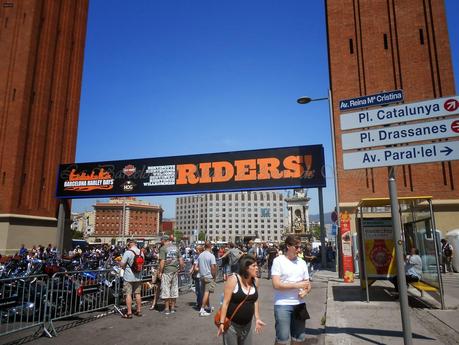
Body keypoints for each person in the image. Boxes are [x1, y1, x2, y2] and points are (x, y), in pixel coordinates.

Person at [271, 235, 311, 345]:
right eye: (297, 247)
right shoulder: (278, 261)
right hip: (283, 304)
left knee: (299, 338)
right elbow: (276, 284)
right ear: (288, 246)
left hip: (300, 304)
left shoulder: (302, 262)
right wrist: (298, 285)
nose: (299, 250)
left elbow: (307, 283)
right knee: (282, 338)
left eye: (300, 247)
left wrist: (306, 291)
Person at [217, 255, 266, 345]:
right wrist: (222, 323)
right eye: (254, 266)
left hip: (247, 325)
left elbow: (255, 300)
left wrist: (257, 318)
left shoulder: (256, 281)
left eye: (257, 266)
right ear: (246, 268)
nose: (257, 268)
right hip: (232, 325)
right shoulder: (233, 279)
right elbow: (225, 302)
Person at [158, 235, 184, 315]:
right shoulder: (176, 247)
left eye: (161, 240)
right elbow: (181, 260)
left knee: (166, 289)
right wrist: (180, 269)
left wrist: (160, 272)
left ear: (164, 240)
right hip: (175, 271)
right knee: (174, 289)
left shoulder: (163, 248)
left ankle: (166, 309)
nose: (160, 241)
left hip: (166, 271)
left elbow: (162, 262)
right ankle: (172, 308)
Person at [119, 239, 144, 318]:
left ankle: (129, 312)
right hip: (138, 276)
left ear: (130, 244)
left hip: (129, 276)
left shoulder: (128, 252)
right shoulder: (141, 252)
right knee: (138, 294)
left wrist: (122, 265)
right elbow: (142, 263)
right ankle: (139, 311)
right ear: (136, 244)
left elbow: (122, 264)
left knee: (128, 294)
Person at [198, 242, 217, 316]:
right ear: (210, 246)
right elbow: (213, 267)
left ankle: (208, 307)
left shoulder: (200, 255)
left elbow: (199, 265)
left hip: (202, 275)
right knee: (207, 292)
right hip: (208, 276)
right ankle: (202, 309)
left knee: (205, 292)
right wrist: (214, 276)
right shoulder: (211, 255)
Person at [190, 245, 204, 310]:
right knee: (198, 291)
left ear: (200, 250)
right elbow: (194, 264)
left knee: (200, 291)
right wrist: (192, 269)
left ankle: (201, 304)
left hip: (200, 275)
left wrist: (196, 269)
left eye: (197, 250)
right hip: (197, 275)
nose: (196, 251)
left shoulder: (201, 256)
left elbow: (196, 267)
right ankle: (199, 303)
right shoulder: (197, 256)